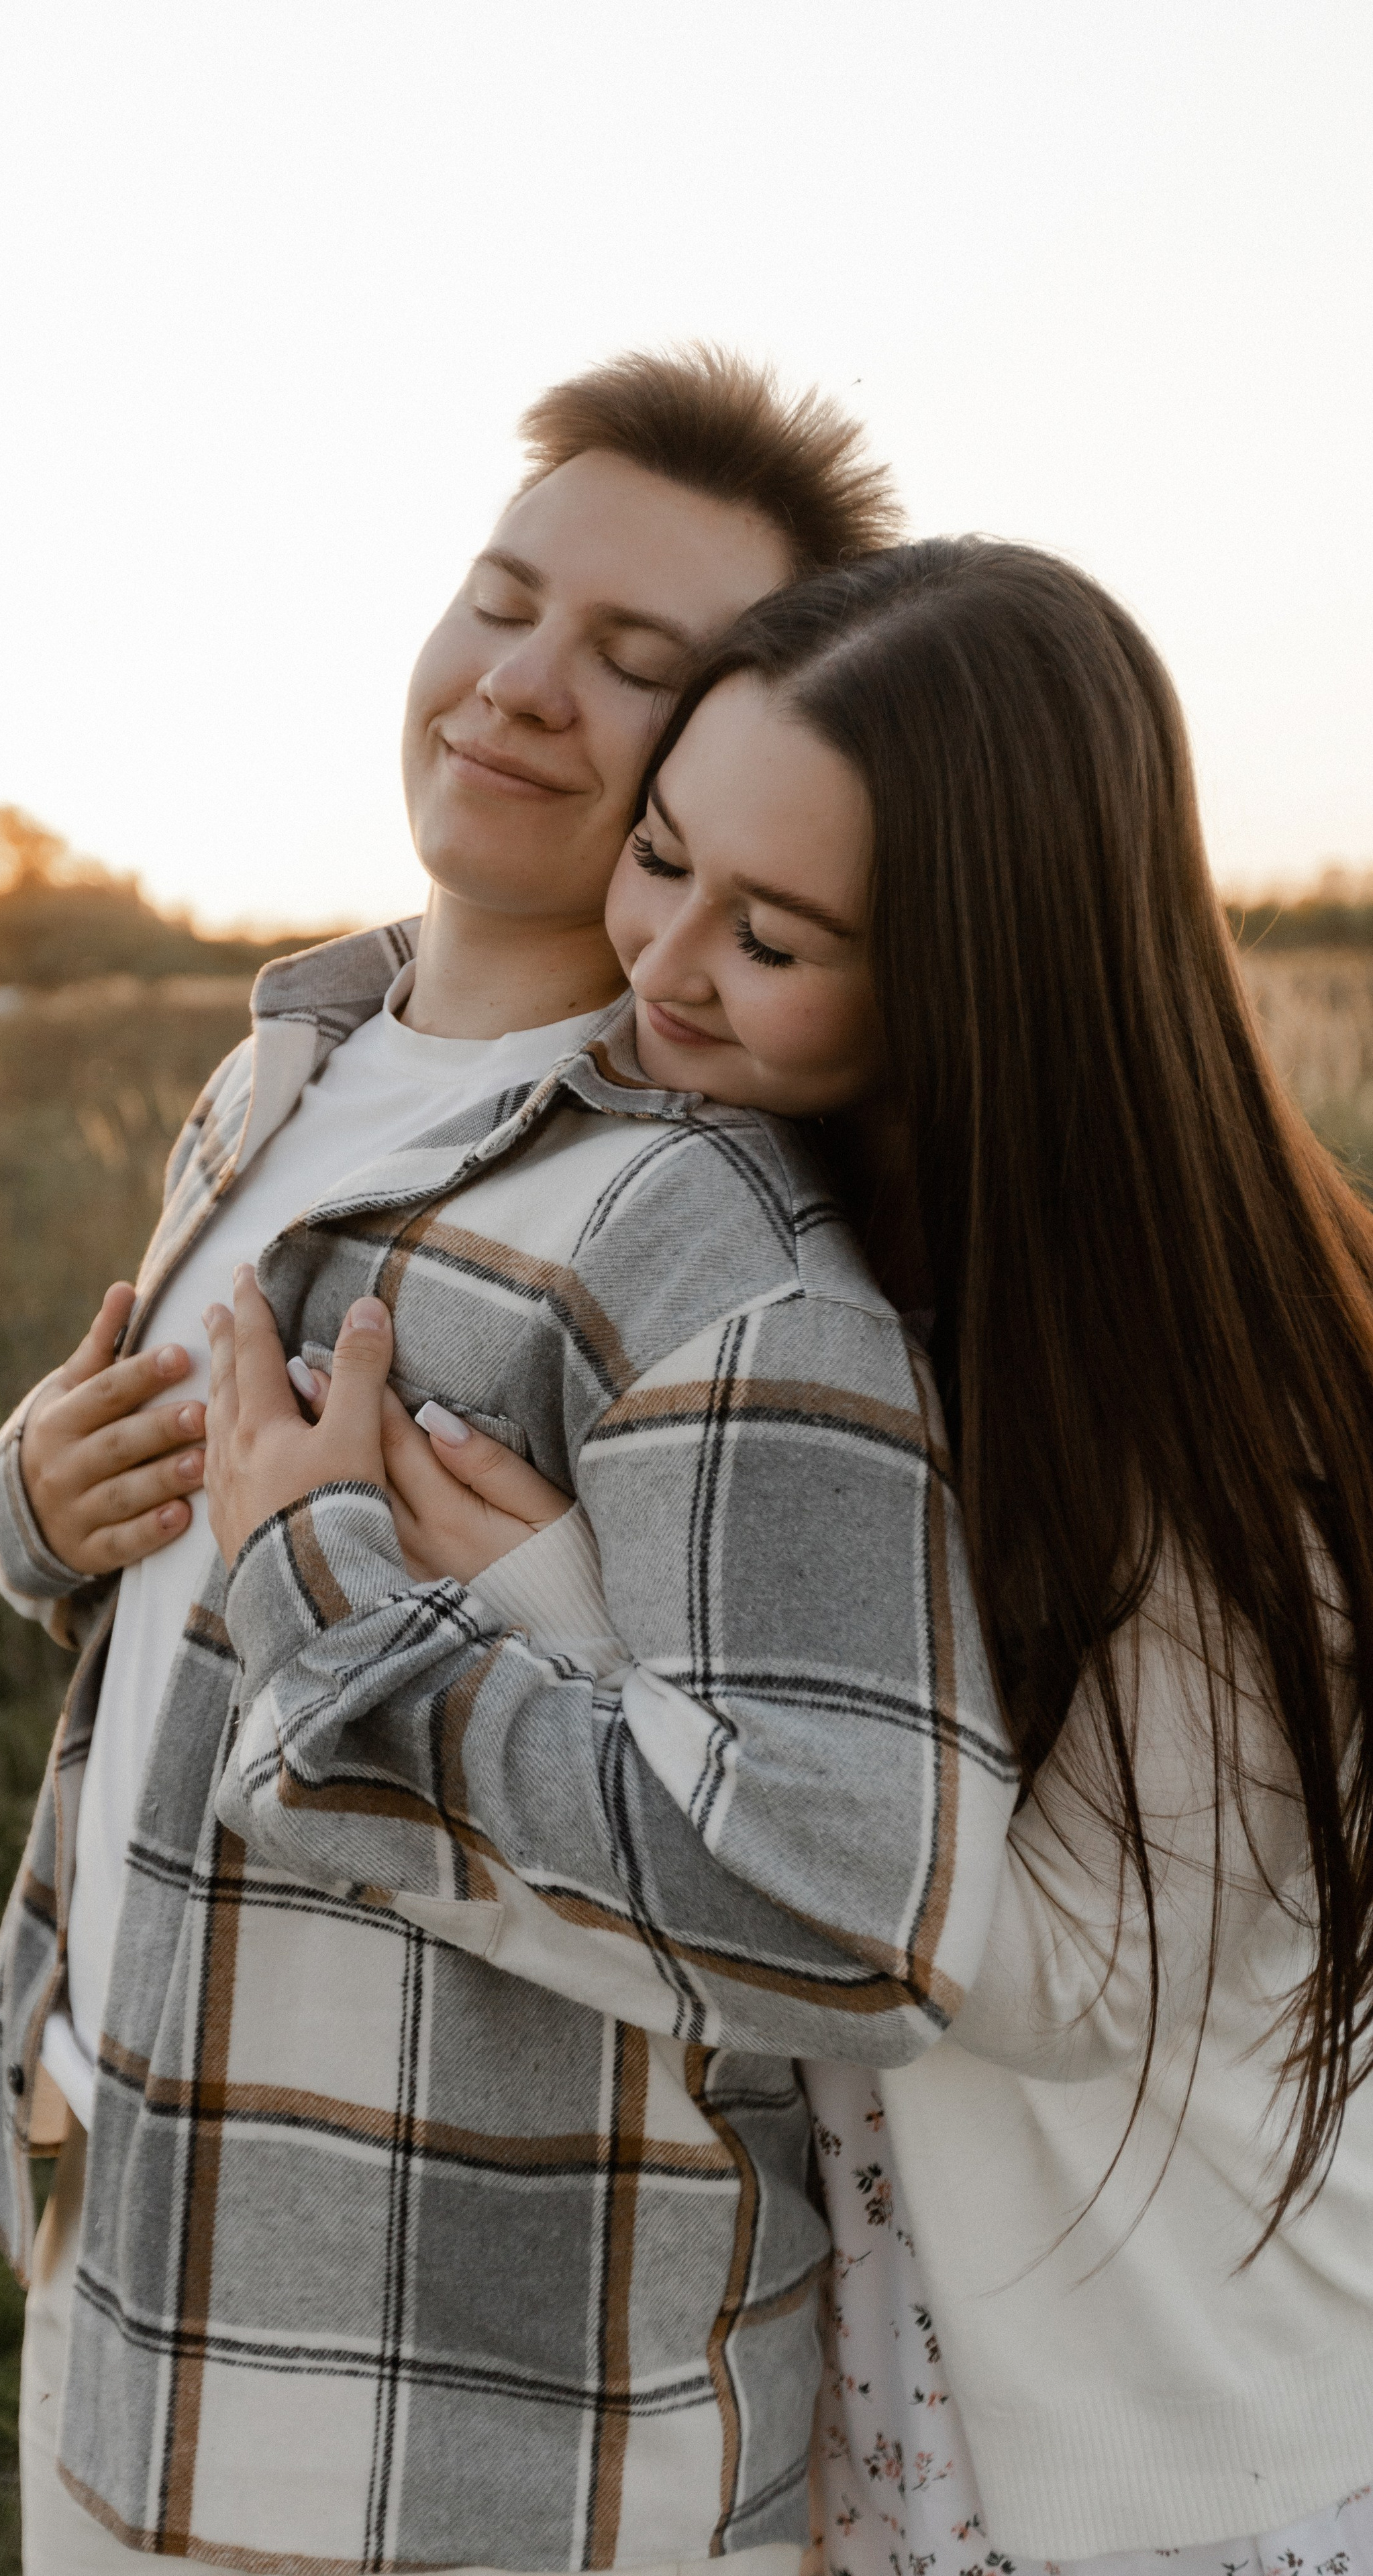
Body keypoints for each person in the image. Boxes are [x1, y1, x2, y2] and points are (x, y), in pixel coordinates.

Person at [0, 351, 1021, 2572]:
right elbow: (162, 1578)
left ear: (736, 759)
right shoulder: (285, 1074)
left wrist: (342, 1606)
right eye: (503, 598)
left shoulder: (712, 1235)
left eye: (632, 663)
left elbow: (859, 1919)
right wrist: (36, 1506)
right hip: (136, 2288)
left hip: (484, 2452)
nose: (519, 684)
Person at [209, 539, 1373, 2576]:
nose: (660, 963)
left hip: (1173, 2452)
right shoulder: (777, 1223)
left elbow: (1039, 1973)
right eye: (661, 858)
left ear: (980, 975)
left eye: (776, 935)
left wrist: (573, 1623)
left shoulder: (1199, 1399)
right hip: (883, 2394)